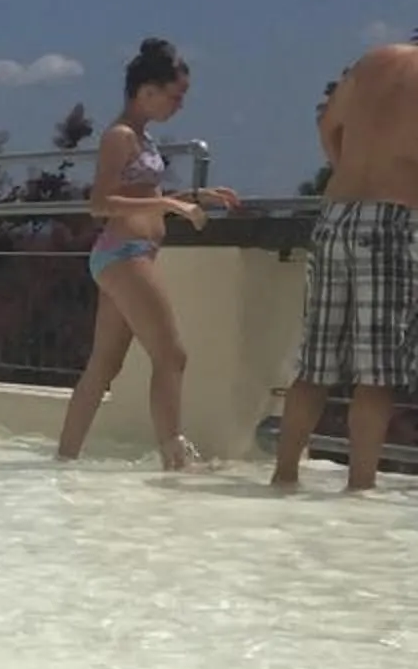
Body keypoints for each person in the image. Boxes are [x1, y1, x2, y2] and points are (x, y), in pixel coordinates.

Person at [53, 38, 238, 472]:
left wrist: (193, 196)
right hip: (124, 253)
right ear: (147, 90)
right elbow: (100, 203)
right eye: (175, 95)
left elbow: (141, 193)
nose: (179, 105)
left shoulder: (143, 138)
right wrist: (169, 207)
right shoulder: (119, 136)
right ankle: (174, 456)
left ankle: (64, 457)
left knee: (104, 365)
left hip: (127, 254)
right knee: (171, 355)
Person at [272, 36, 418, 492]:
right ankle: (359, 487)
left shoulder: (376, 60)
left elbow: (327, 123)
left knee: (315, 364)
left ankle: (284, 475)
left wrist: (345, 169)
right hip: (394, 218)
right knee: (377, 374)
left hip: (336, 214)